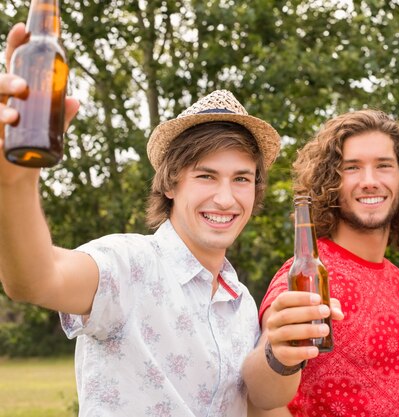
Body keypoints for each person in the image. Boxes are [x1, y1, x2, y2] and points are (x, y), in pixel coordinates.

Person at [0, 22, 292, 416]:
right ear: (171, 183)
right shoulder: (129, 264)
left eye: (241, 179)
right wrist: (15, 182)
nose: (225, 198)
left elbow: (258, 408)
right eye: (206, 176)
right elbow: (36, 279)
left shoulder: (241, 304)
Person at [243, 109, 399, 416]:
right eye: (352, 168)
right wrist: (274, 355)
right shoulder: (307, 276)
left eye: (384, 166)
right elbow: (265, 402)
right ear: (330, 181)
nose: (370, 181)